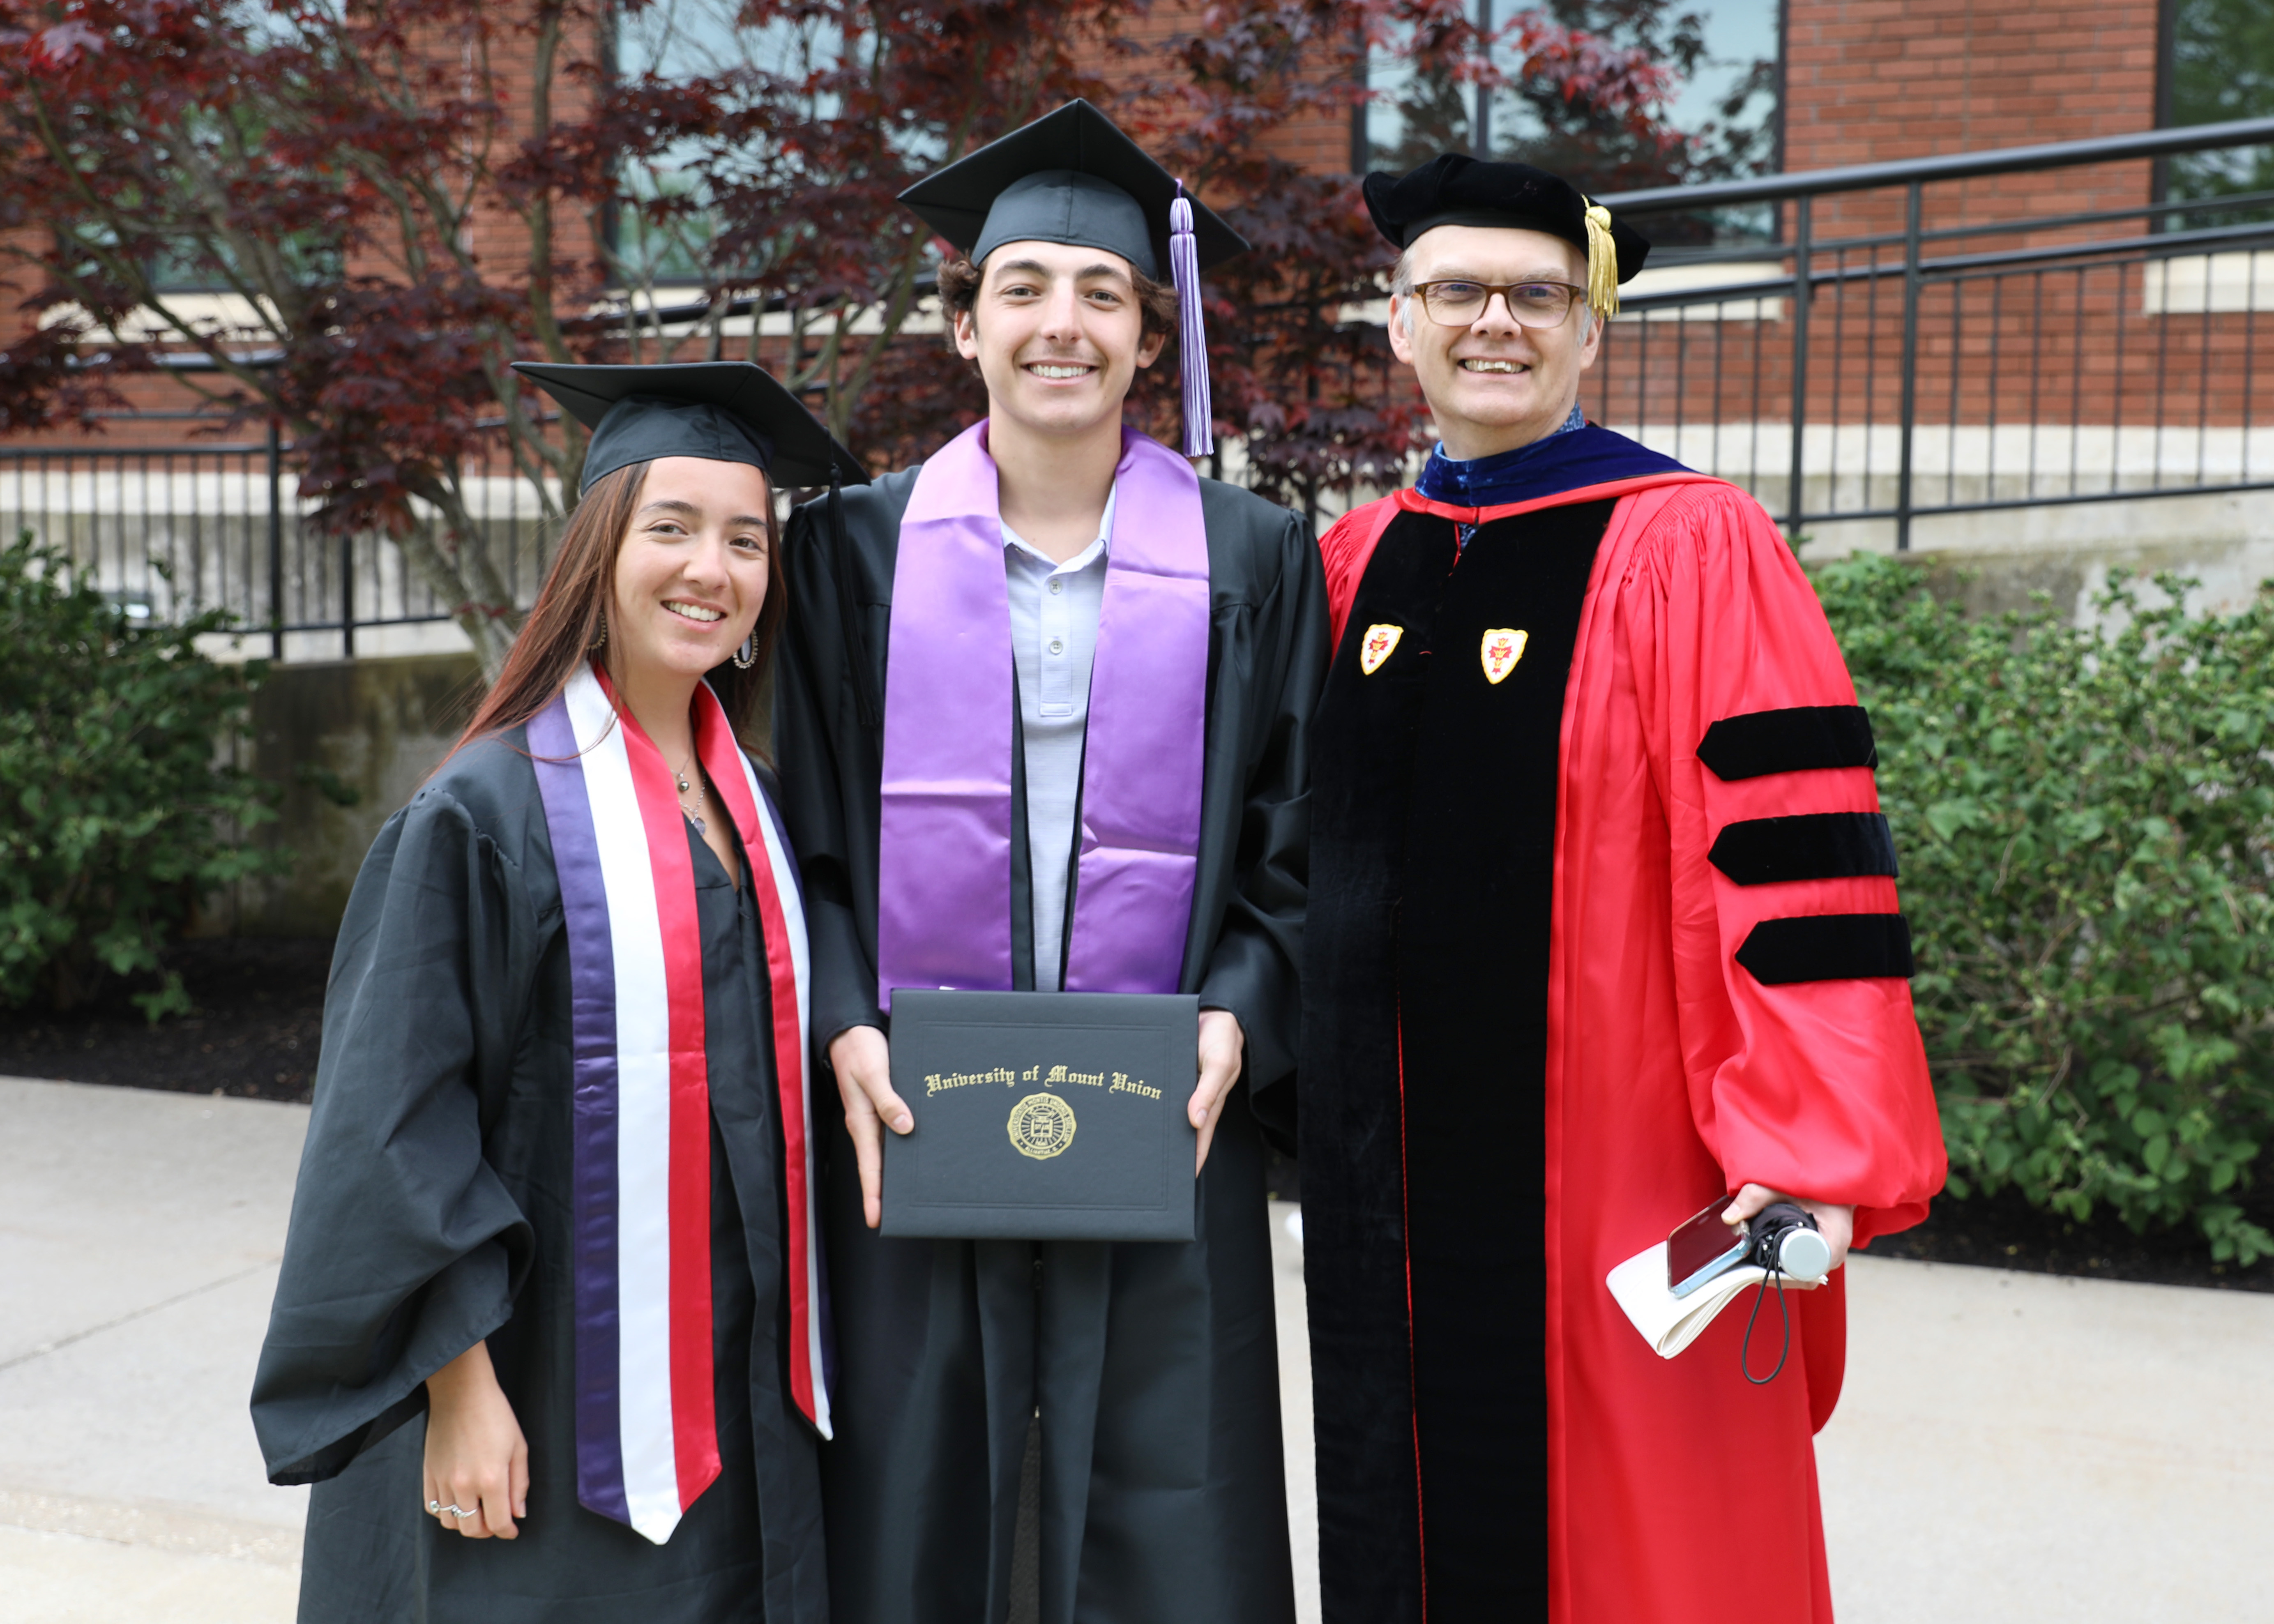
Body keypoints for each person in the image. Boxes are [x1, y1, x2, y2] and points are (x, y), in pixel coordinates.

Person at [1298, 153, 1948, 1624]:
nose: (1496, 324)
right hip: (1386, 1186)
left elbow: (1793, 850)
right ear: (1397, 323)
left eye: (1538, 295)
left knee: (1653, 1549)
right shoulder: (1353, 562)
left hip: (1630, 1170)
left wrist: (1812, 1146)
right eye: (1455, 291)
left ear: (1591, 330)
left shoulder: (1694, 545)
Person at [772, 99, 1322, 1624]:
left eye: (1101, 294)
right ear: (966, 325)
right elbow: (798, 830)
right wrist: (843, 1024)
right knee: (912, 1488)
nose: (1060, 326)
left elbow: (1295, 836)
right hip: (912, 1111)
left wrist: (1237, 1014)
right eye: (1022, 289)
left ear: (1154, 332)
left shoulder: (1253, 556)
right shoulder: (852, 553)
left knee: (1171, 1490)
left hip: (1167, 1109)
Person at [251, 361, 866, 1624]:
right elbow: (393, 1125)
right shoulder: (482, 813)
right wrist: (457, 1389)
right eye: (673, 528)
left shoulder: (750, 801)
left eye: (745, 540)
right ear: (598, 551)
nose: (712, 567)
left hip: (736, 1380)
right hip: (540, 1385)